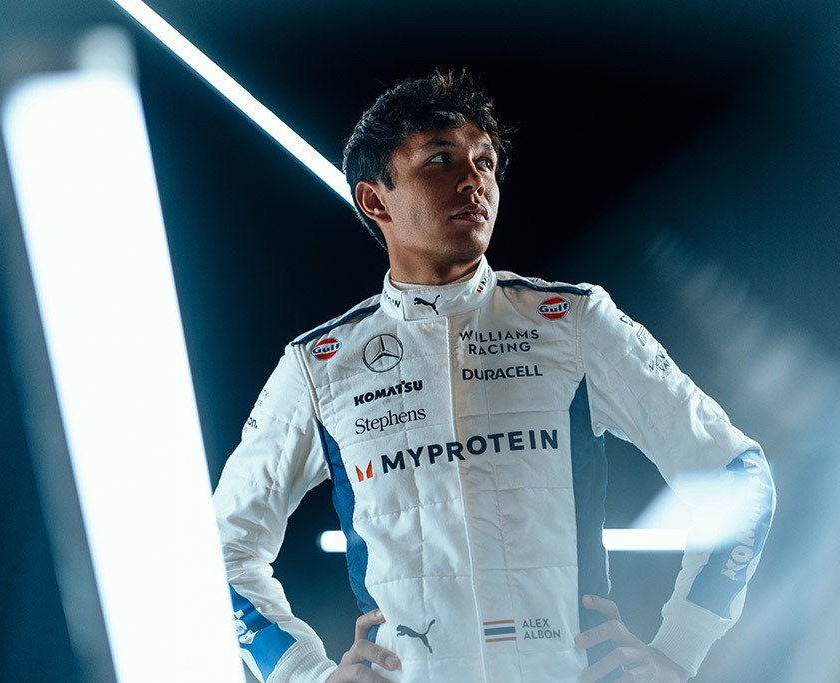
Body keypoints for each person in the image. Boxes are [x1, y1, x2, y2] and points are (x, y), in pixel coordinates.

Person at [212, 69, 775, 683]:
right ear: (375, 200)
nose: (474, 180)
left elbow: (738, 475)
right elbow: (218, 549)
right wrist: (303, 673)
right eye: (440, 159)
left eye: (484, 161)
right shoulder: (320, 364)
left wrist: (678, 649)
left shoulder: (575, 323)